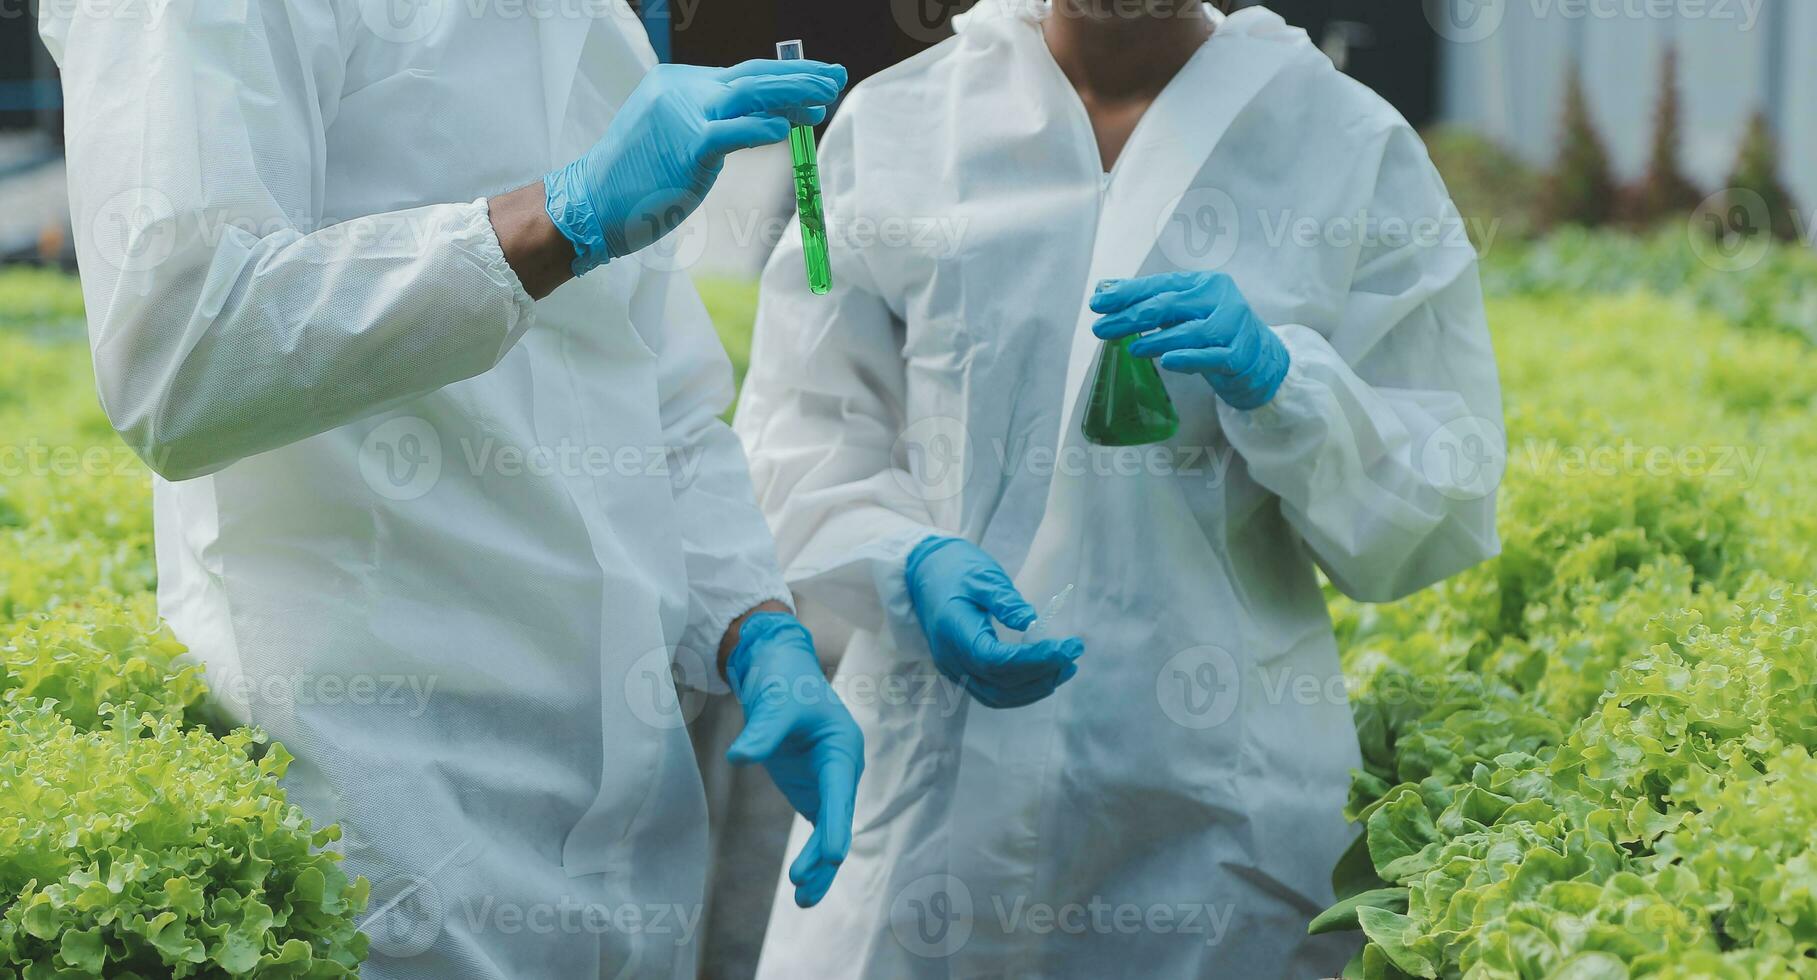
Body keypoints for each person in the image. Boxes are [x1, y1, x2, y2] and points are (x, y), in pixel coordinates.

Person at [40, 3, 861, 977]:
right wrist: (556, 218)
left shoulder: (588, 20)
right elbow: (178, 352)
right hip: (379, 814)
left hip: (632, 835)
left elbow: (664, 404)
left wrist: (755, 627)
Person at [734, 0, 1503, 975]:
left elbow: (1439, 503)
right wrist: (903, 557)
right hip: (924, 808)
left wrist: (1288, 389)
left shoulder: (1348, 145)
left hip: (1202, 836)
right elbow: (797, 420)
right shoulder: (887, 129)